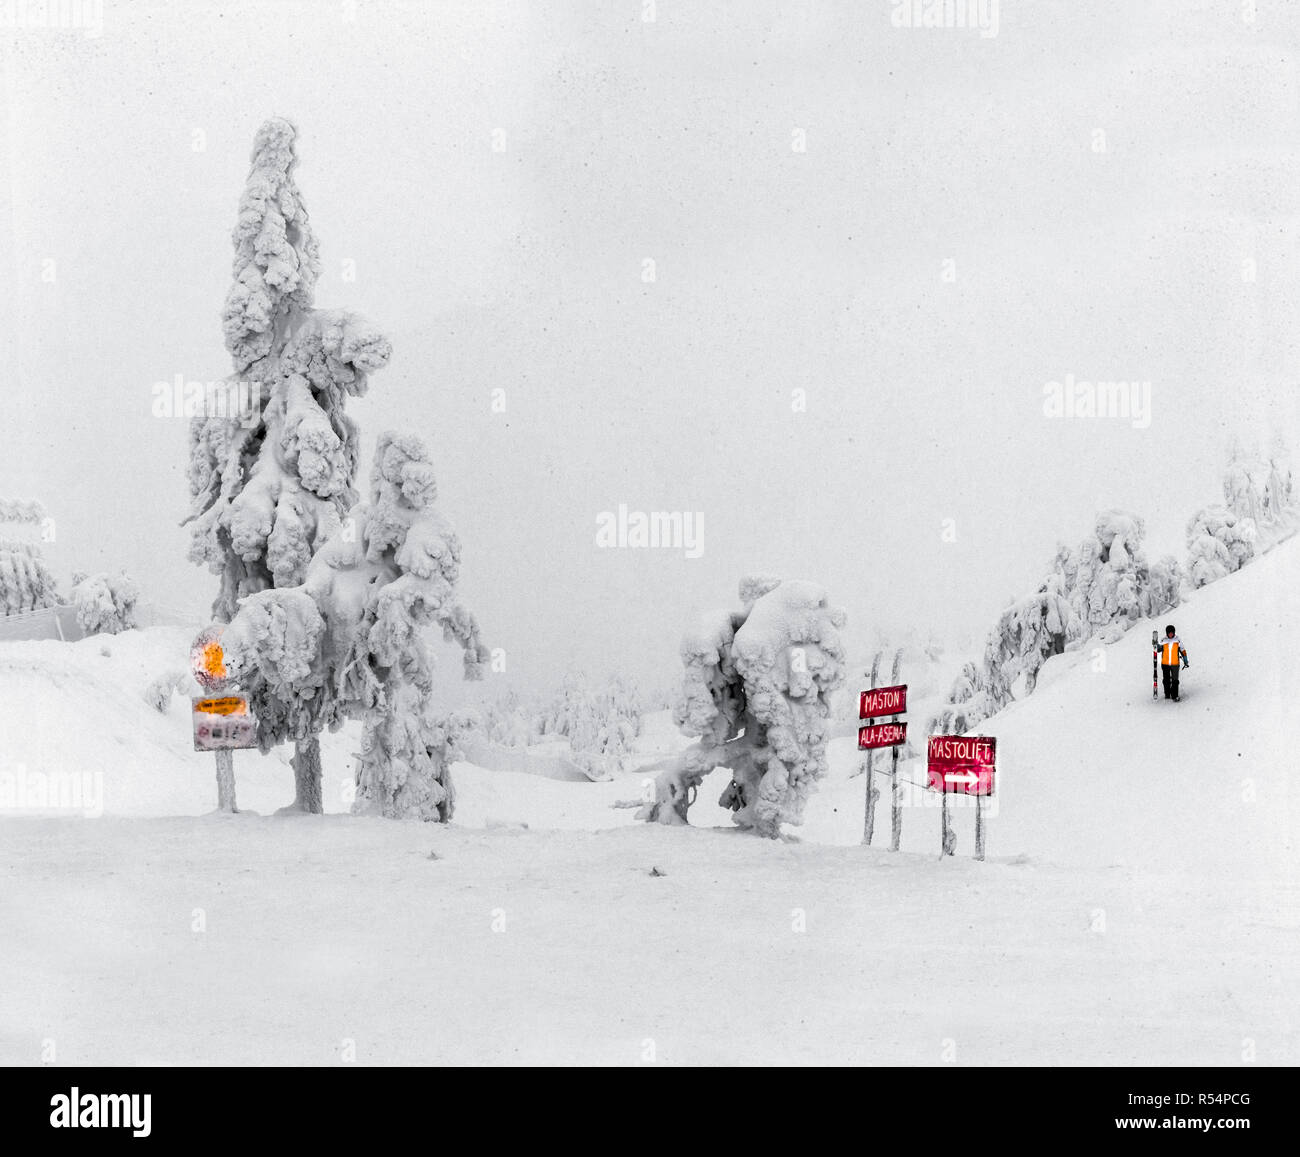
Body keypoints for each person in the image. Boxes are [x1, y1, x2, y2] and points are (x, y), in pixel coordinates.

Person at [1155, 624, 1190, 701]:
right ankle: (1167, 694)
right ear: (1167, 633)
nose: (1170, 634)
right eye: (1169, 633)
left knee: (1175, 680)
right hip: (1165, 664)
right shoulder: (1163, 640)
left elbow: (1183, 650)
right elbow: (1158, 650)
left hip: (1175, 664)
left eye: (1172, 632)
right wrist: (1156, 645)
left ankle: (1175, 695)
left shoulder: (1177, 640)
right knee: (1166, 680)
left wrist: (1185, 660)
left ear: (1174, 632)